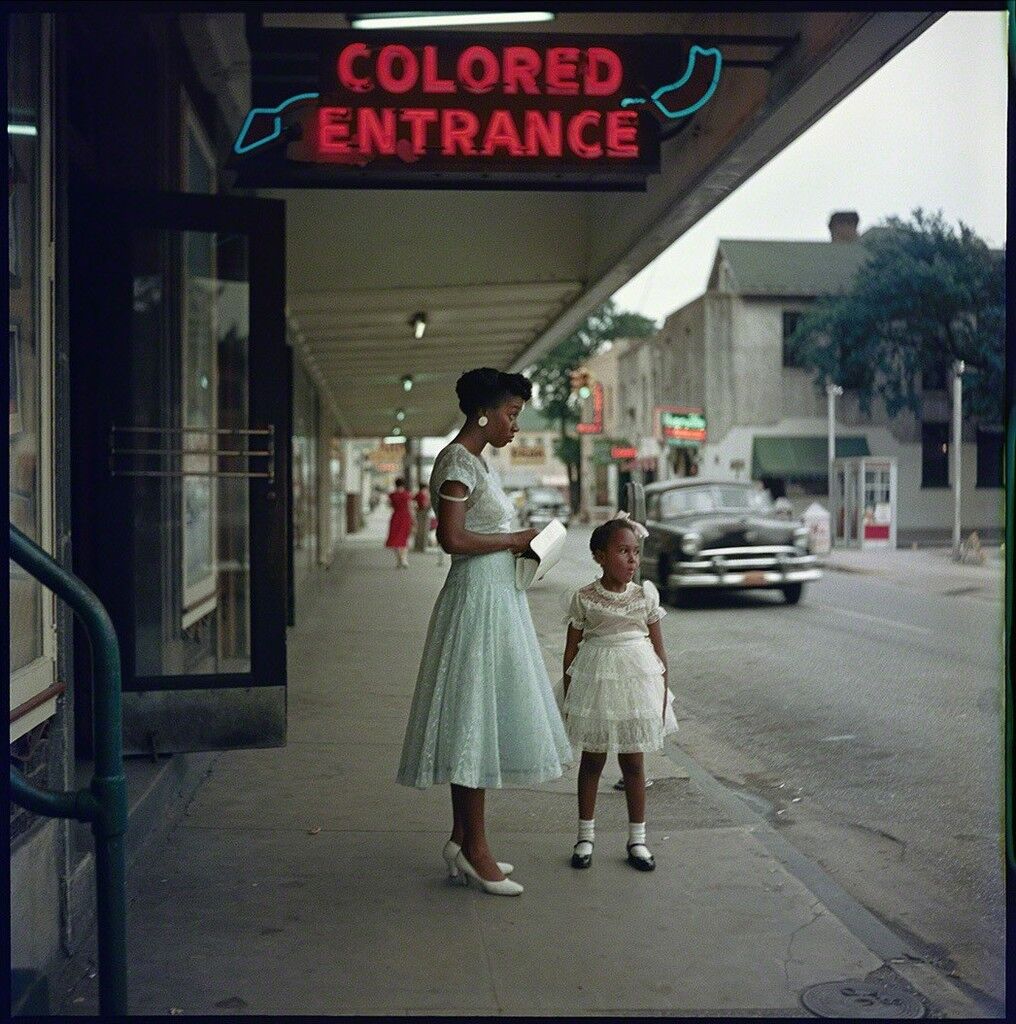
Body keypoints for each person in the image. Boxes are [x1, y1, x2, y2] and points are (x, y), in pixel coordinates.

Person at [396, 368, 573, 896]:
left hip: (497, 597)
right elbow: (451, 539)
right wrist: (518, 536)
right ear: (484, 413)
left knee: (482, 716)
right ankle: (476, 848)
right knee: (473, 717)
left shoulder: (475, 463)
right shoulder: (456, 462)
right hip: (476, 599)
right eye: (512, 414)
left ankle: (461, 838)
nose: (516, 425)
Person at [559, 512, 678, 872]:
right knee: (592, 760)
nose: (632, 560)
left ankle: (637, 839)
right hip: (596, 682)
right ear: (600, 556)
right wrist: (569, 697)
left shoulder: (644, 597)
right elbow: (571, 650)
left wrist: (661, 695)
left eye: (636, 552)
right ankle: (585, 836)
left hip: (636, 683)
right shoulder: (584, 598)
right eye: (623, 552)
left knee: (634, 762)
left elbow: (659, 653)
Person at [385, 477, 414, 568]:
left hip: (396, 517)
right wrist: (413, 519)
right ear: (404, 484)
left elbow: (390, 505)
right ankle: (404, 560)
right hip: (405, 517)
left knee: (395, 539)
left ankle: (399, 560)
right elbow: (410, 507)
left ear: (395, 484)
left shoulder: (392, 495)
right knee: (404, 539)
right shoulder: (407, 494)